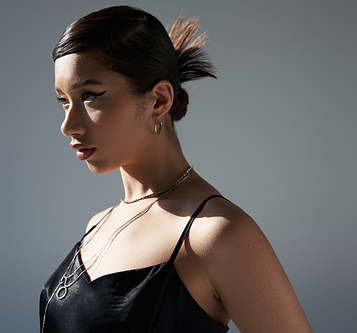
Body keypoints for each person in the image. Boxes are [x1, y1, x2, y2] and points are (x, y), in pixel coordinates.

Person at [40, 5, 313, 333]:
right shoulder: (97, 225)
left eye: (89, 97)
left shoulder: (216, 234)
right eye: (64, 101)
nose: (68, 126)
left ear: (159, 100)